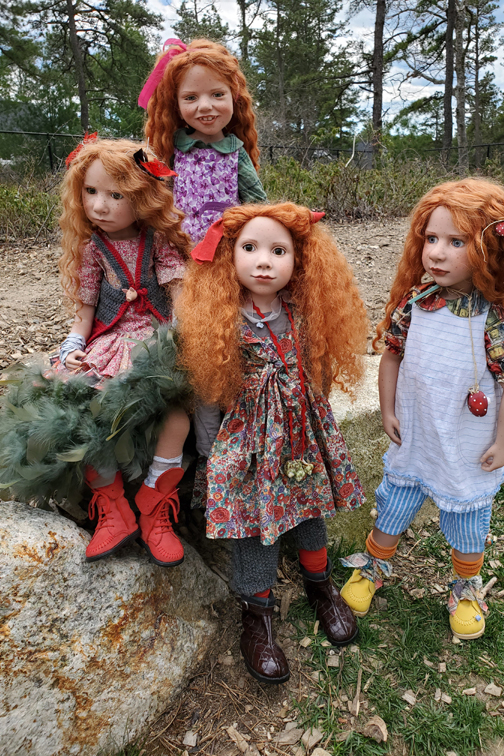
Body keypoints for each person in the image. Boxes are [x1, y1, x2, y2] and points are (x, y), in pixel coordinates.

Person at [176, 202, 368, 683]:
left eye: (278, 251)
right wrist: (210, 451)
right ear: (229, 255)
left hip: (301, 440)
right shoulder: (220, 319)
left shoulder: (303, 313)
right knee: (254, 526)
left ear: (299, 260)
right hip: (248, 447)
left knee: (310, 513)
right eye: (250, 248)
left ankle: (320, 585)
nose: (264, 261)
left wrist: (316, 423)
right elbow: (208, 391)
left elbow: (318, 372)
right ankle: (257, 614)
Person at [340, 178, 504, 640]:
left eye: (456, 242)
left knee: (468, 519)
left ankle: (466, 586)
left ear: (488, 249)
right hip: (416, 434)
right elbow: (391, 356)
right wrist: (387, 409)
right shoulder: (416, 304)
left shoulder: (493, 320)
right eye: (431, 239)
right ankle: (374, 566)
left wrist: (503, 443)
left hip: (467, 444)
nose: (437, 253)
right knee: (393, 503)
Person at [0, 137, 192, 567]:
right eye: (90, 192)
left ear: (143, 197)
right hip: (108, 343)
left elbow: (179, 301)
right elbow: (83, 315)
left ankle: (155, 501)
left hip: (155, 339)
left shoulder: (158, 242)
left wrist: (176, 341)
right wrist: (72, 347)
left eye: (116, 195)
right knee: (84, 411)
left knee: (176, 415)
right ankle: (112, 506)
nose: (99, 206)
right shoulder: (92, 250)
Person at [139, 38, 267, 243]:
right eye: (191, 97)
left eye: (217, 94)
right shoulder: (173, 149)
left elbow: (258, 203)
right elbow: (155, 197)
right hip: (179, 246)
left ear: (234, 96)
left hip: (225, 247)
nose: (205, 106)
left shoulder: (235, 152)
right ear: (176, 104)